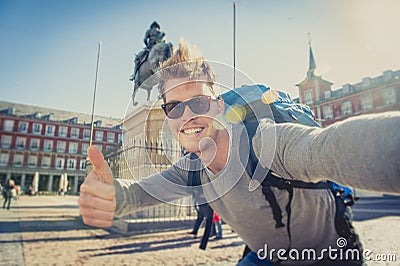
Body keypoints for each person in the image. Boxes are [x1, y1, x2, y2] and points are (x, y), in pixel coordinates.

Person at [79, 40, 400, 265]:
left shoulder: (265, 144)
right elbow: (136, 195)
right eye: (174, 107)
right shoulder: (191, 168)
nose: (187, 116)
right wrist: (112, 197)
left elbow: (329, 148)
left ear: (218, 105)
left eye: (199, 102)